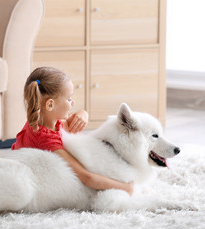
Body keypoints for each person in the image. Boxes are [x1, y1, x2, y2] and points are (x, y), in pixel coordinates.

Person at [12, 67, 134, 196]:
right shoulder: (46, 140)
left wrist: (83, 113)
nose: (73, 103)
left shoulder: (44, 119)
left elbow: (69, 123)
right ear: (50, 105)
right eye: (69, 99)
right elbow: (86, 178)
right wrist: (126, 187)